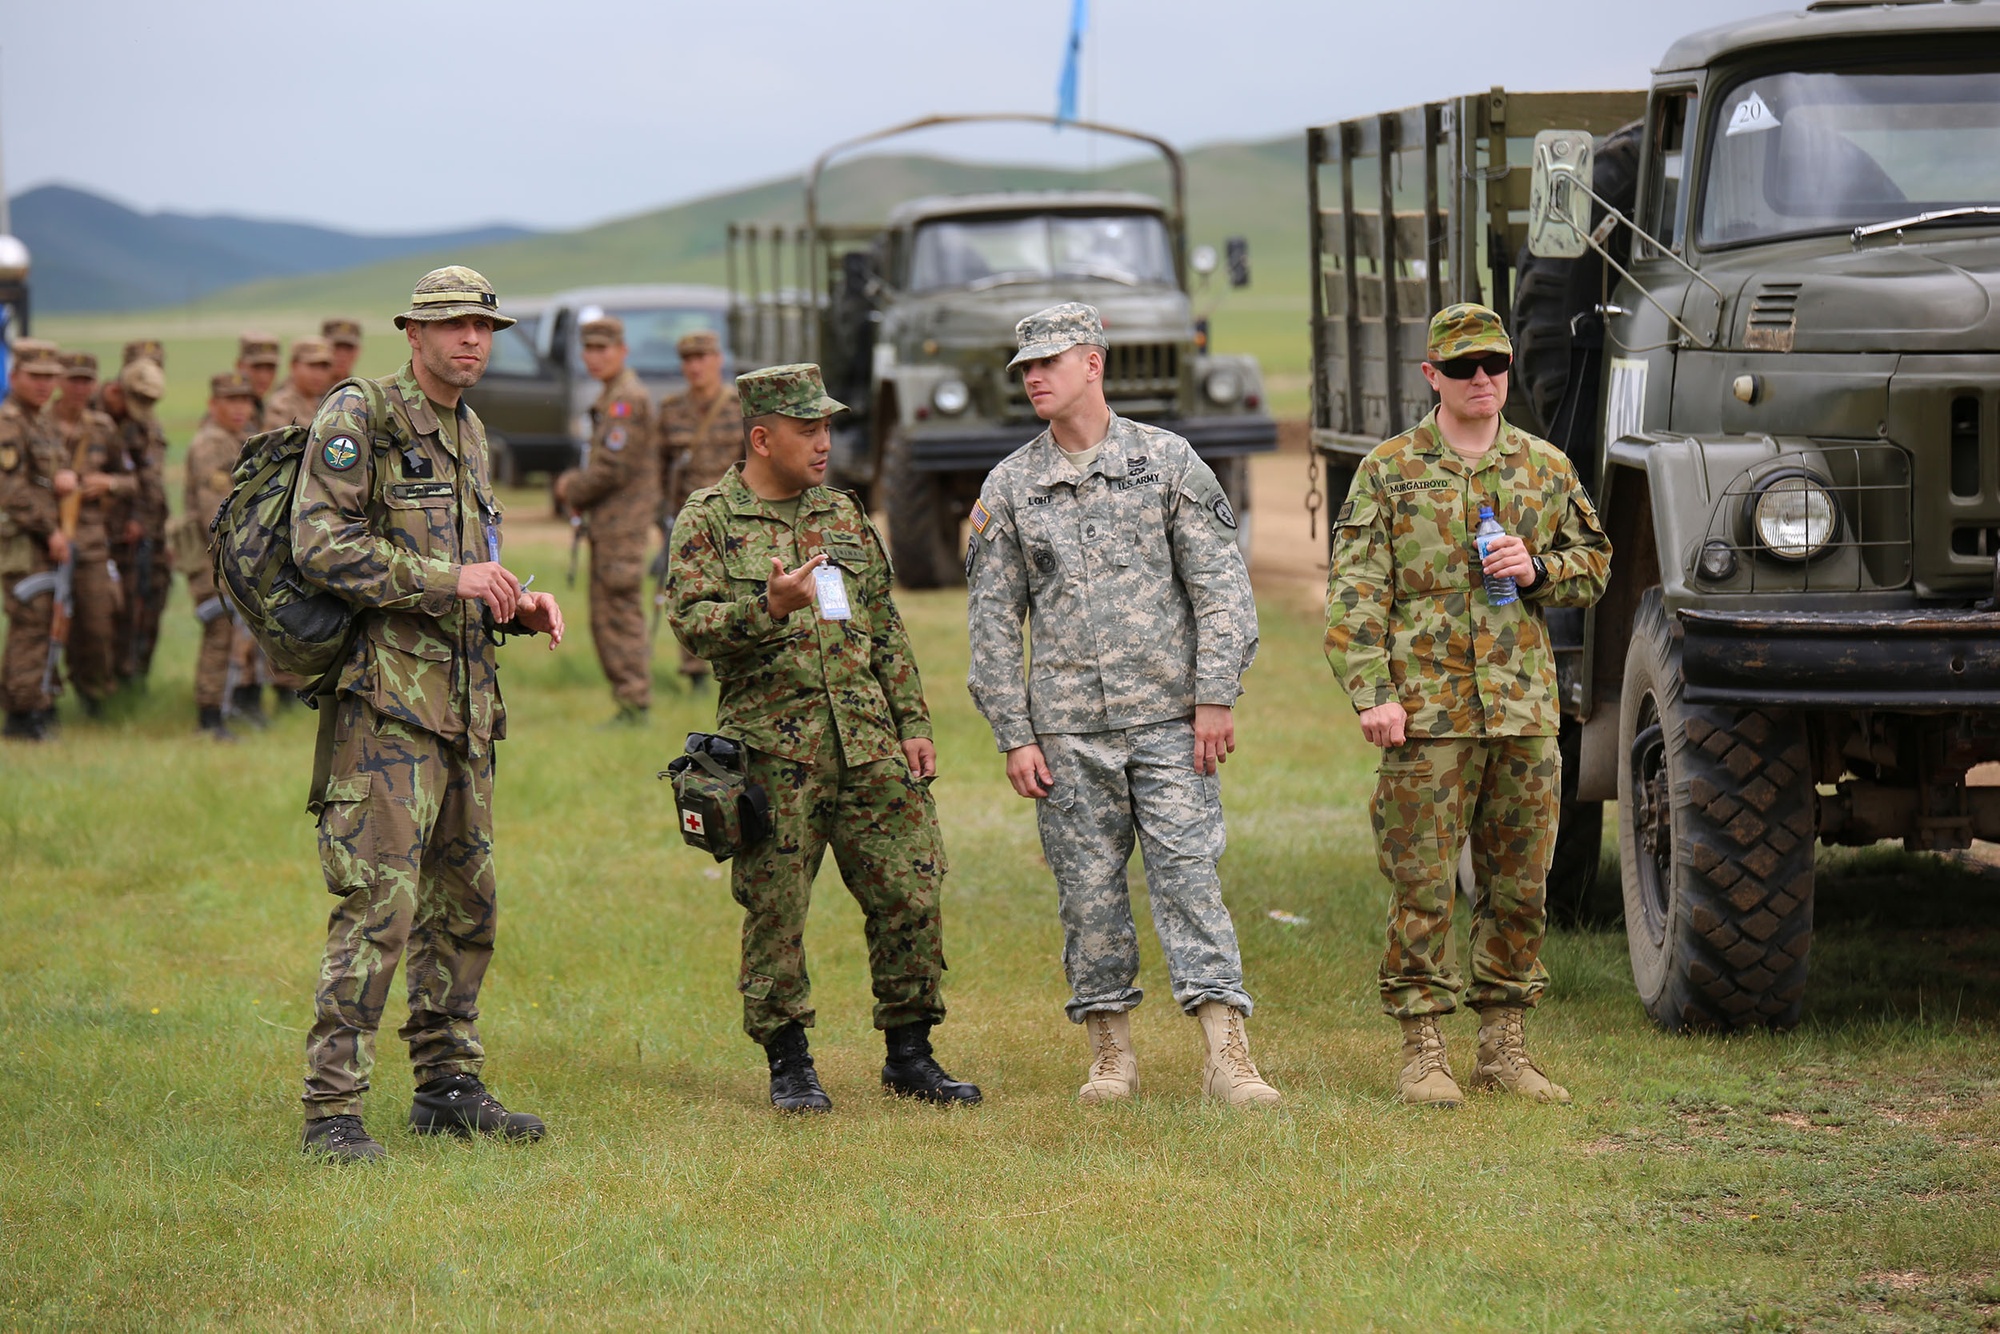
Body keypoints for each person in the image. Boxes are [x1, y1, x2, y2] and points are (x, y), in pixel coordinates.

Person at [965, 302, 1280, 1109]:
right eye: (1026, 367)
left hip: (1171, 721)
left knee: (1188, 877)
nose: (1034, 377)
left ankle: (1227, 1055)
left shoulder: (1167, 463)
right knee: (1089, 892)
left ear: (1093, 363)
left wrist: (1214, 696)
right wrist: (1014, 734)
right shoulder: (1011, 486)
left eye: (1050, 362)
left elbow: (1221, 592)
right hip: (1067, 732)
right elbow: (995, 626)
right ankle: (1111, 1056)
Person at [292, 266, 564, 1163]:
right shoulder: (360, 416)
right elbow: (320, 544)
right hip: (387, 713)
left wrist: (509, 602)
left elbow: (467, 562)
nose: (471, 340)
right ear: (412, 332)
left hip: (467, 709)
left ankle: (447, 1086)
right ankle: (333, 1113)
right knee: (379, 908)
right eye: (451, 325)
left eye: (484, 327)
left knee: (466, 905)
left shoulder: (470, 429)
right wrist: (451, 580)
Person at [665, 363, 979, 1114]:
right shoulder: (709, 519)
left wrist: (913, 726)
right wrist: (766, 609)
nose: (824, 441)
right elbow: (691, 623)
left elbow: (883, 628)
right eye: (808, 429)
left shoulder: (841, 513)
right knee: (777, 911)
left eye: (829, 426)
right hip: (776, 755)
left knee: (910, 889)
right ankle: (790, 1063)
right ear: (762, 437)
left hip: (868, 743)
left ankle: (910, 1054)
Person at [1324, 303, 1612, 1108]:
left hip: (1522, 711)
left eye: (1494, 364)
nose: (1481, 379)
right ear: (1431, 377)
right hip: (1427, 717)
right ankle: (1423, 1050)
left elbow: (1595, 565)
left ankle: (1502, 1048)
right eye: (1462, 368)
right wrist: (1373, 695)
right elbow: (1354, 596)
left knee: (1521, 883)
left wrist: (1539, 571)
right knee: (1421, 883)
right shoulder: (1389, 470)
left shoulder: (1545, 468)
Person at [553, 316, 658, 724]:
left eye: (603, 349)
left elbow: (611, 469)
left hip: (622, 528)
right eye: (589, 349)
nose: (595, 357)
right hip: (610, 526)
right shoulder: (613, 396)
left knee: (619, 614)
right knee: (607, 616)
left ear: (622, 350)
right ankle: (629, 702)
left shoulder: (625, 400)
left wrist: (569, 488)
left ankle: (635, 702)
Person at [50, 352, 134, 715]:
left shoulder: (102, 427)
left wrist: (111, 482)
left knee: (98, 622)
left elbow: (132, 480)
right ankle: (40, 700)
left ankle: (93, 694)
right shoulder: (37, 424)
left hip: (92, 540)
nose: (80, 388)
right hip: (48, 538)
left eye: (87, 380)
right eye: (73, 379)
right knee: (47, 625)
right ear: (59, 382)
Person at [656, 329, 737, 691]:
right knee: (692, 591)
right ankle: (694, 672)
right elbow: (658, 465)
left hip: (735, 516)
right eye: (688, 359)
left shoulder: (739, 408)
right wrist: (661, 513)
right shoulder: (672, 410)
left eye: (702, 357)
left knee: (737, 592)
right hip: (689, 518)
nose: (695, 366)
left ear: (718, 359)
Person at [0, 339, 70, 742]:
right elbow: (11, 492)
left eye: (50, 377)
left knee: (46, 624)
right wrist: (51, 530)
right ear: (14, 377)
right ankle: (22, 717)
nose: (45, 385)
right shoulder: (10, 422)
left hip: (46, 542)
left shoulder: (40, 421)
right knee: (29, 626)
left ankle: (35, 705)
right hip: (25, 543)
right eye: (36, 376)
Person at [182, 373, 259, 742]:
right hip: (214, 559)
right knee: (219, 633)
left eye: (245, 400)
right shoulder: (211, 444)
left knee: (234, 636)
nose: (240, 407)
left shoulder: (237, 439)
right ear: (214, 404)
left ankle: (223, 710)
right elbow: (215, 512)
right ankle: (209, 718)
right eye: (231, 400)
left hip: (236, 557)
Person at [102, 358, 171, 684]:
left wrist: (145, 522)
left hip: (136, 535)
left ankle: (128, 681)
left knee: (139, 607)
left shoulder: (140, 423)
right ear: (116, 389)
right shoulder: (94, 418)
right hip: (98, 532)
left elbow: (148, 481)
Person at [264, 337, 339, 430]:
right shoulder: (281, 406)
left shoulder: (329, 401)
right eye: (312, 366)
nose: (319, 374)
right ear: (294, 365)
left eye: (324, 367)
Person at [236, 334, 280, 419]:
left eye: (270, 368)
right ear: (240, 366)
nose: (264, 376)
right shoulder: (234, 415)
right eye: (257, 367)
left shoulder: (261, 407)